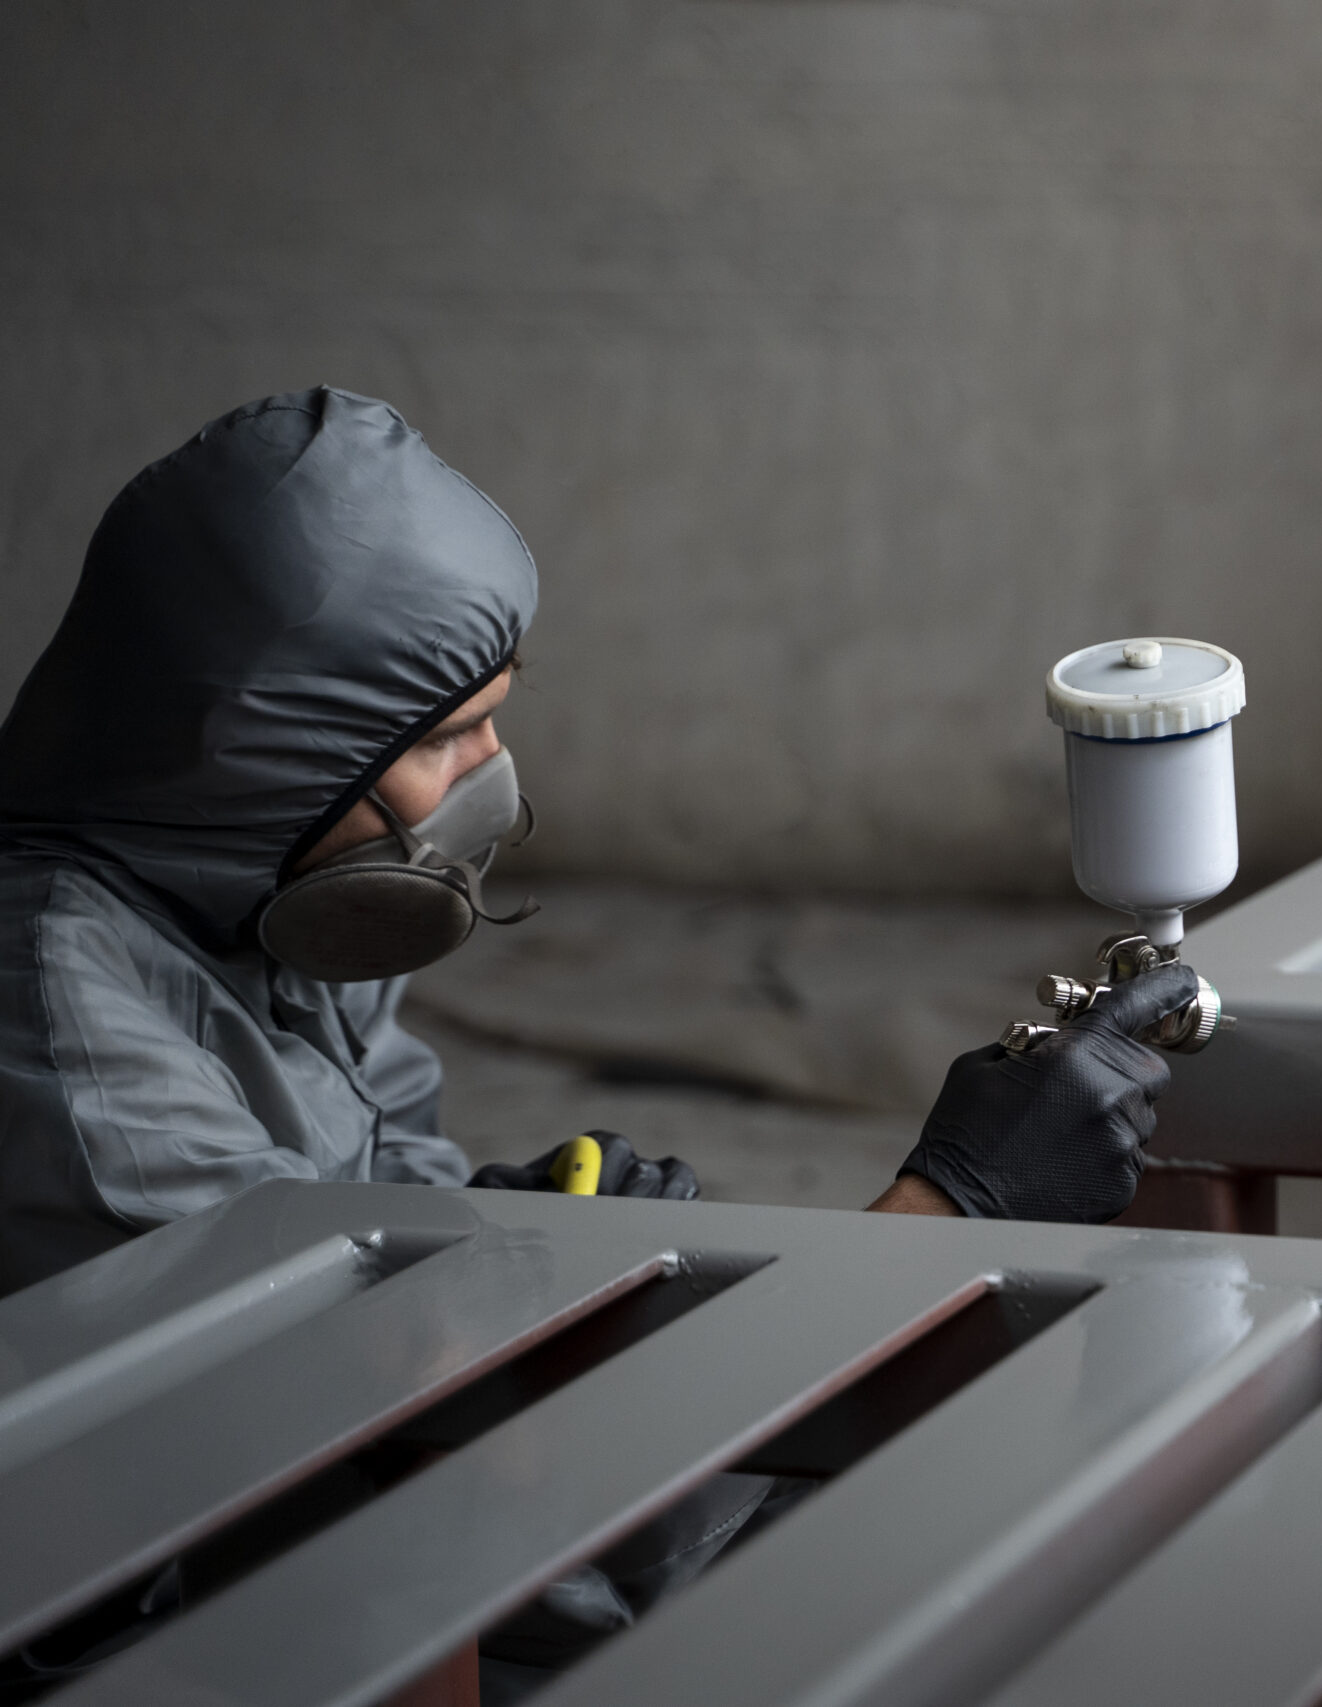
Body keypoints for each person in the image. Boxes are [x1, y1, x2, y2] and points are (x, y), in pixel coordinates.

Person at [0, 386, 1199, 1295]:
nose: (494, 779)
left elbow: (371, 1204)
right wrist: (952, 1208)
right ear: (261, 767)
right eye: (448, 739)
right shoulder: (70, 1040)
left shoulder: (276, 896)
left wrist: (484, 1235)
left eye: (496, 720)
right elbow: (365, 1455)